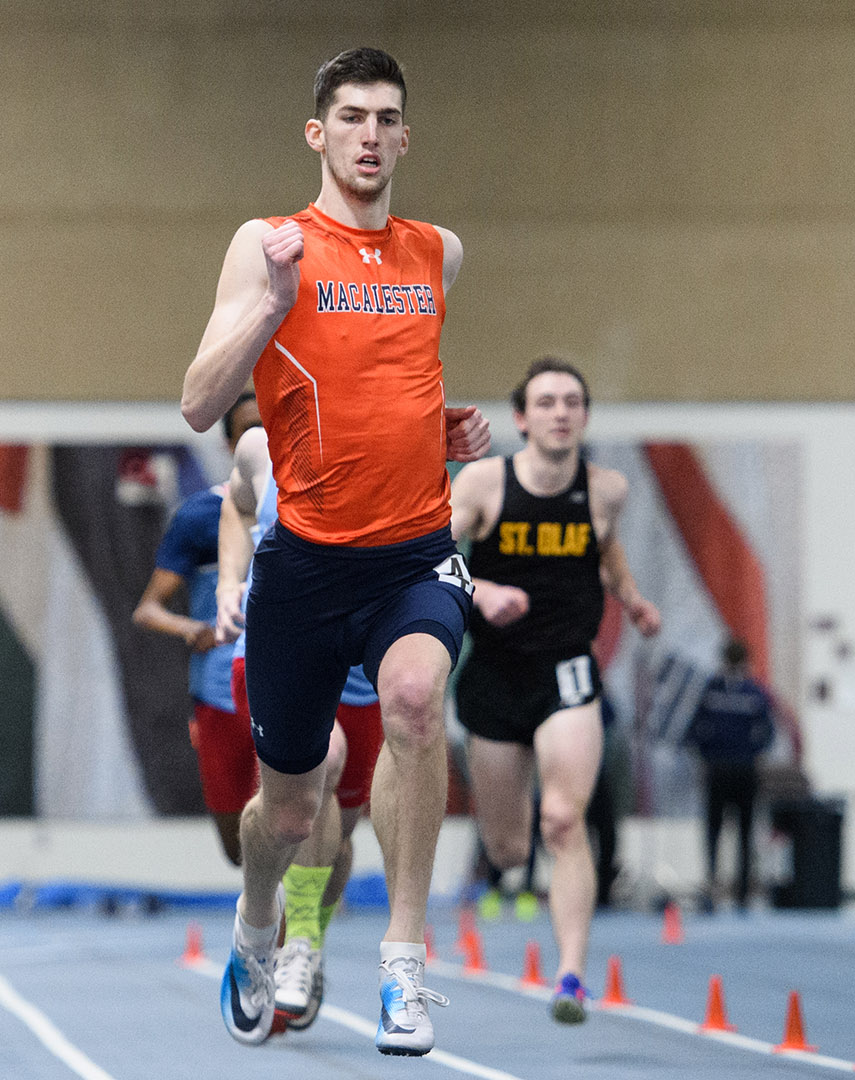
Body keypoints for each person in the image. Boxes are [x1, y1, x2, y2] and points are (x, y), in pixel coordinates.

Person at [179, 46, 491, 1056]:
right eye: (350, 116)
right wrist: (271, 304)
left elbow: (382, 379)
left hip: (412, 553)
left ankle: (405, 968)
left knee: (412, 703)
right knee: (288, 808)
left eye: (386, 117)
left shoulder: (435, 252)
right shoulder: (268, 244)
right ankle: (256, 925)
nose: (369, 133)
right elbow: (196, 403)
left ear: (405, 136)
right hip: (306, 566)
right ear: (318, 133)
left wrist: (433, 427)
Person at [449, 357, 660, 1024]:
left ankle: (570, 975)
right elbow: (432, 555)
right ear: (521, 418)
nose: (560, 412)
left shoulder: (607, 490)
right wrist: (482, 592)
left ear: (585, 416)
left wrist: (630, 597)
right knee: (510, 846)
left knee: (564, 819)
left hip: (568, 667)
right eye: (546, 402)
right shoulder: (483, 484)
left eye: (572, 401)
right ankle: (506, 857)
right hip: (493, 674)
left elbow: (606, 547)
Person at [215, 422, 384, 1031]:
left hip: (363, 662)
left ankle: (307, 942)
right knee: (313, 779)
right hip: (276, 645)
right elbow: (235, 506)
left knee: (337, 837)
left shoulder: (394, 433)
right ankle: (267, 932)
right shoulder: (263, 444)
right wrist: (229, 584)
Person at [131, 393, 263, 865]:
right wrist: (193, 628)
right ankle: (270, 914)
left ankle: (295, 930)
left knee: (288, 817)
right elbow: (147, 609)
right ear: (230, 445)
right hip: (219, 691)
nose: (261, 439)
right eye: (249, 430)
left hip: (288, 684)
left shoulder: (309, 509)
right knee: (237, 847)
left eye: (270, 428)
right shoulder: (200, 516)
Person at [684, 639, 776, 917]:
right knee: (744, 832)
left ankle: (713, 886)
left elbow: (693, 730)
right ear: (745, 662)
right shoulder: (754, 692)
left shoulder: (712, 690)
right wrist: (753, 752)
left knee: (715, 831)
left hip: (719, 769)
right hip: (743, 770)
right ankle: (743, 894)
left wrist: (706, 754)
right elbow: (768, 732)